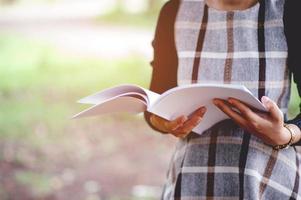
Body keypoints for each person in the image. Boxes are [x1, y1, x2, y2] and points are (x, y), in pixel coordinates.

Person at [144, 0, 301, 199]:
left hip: (270, 183)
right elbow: (155, 105)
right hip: (190, 183)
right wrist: (163, 122)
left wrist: (285, 134)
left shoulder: (291, 10)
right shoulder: (173, 11)